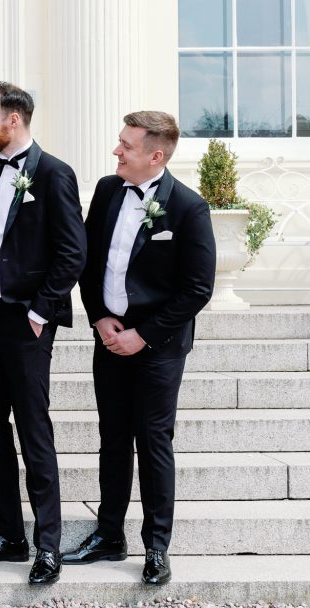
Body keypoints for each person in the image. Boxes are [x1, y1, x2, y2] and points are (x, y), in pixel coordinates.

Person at [63, 110, 215, 586]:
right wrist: (99, 318)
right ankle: (109, 534)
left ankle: (156, 546)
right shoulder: (109, 191)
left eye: (125, 146)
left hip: (159, 346)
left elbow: (197, 289)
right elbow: (86, 261)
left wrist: (143, 335)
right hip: (109, 337)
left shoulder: (189, 208)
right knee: (112, 437)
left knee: (153, 441)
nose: (116, 152)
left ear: (156, 154)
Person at [0, 82, 86, 586]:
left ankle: (48, 546)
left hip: (26, 324)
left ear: (12, 120)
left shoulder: (55, 173)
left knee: (33, 430)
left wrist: (41, 312)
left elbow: (72, 251)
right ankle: (9, 533)